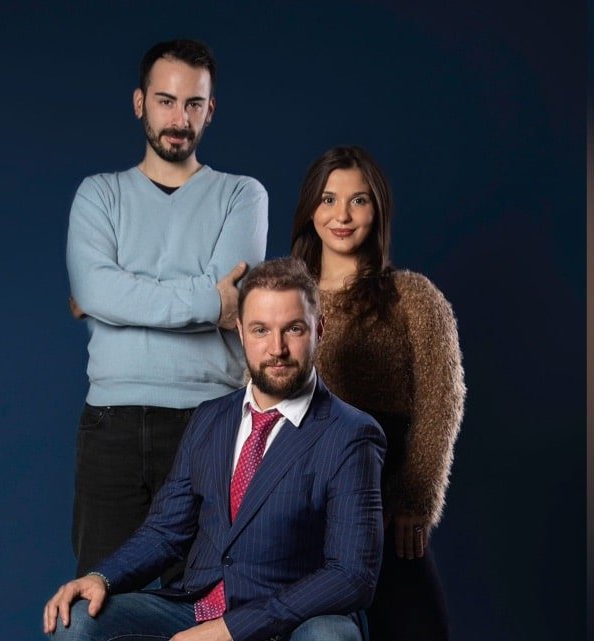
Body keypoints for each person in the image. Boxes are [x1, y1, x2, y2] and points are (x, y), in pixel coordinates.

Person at [43, 257, 386, 641]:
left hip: (294, 620)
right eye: (261, 330)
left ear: (318, 329)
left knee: (330, 637)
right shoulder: (211, 419)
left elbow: (351, 576)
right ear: (240, 332)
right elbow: (165, 532)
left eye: (293, 329)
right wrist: (100, 576)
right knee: (77, 621)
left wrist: (231, 630)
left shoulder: (352, 435)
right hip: (197, 608)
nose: (277, 348)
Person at [66, 39, 268, 579]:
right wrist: (206, 298)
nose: (179, 119)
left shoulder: (241, 195)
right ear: (139, 103)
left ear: (211, 109)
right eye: (165, 101)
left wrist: (126, 294)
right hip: (112, 424)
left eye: (193, 104)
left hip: (211, 420)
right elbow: (96, 292)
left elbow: (237, 299)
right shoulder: (98, 195)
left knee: (206, 602)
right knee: (100, 603)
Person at [291, 146, 465, 641]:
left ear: (378, 209)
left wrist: (415, 499)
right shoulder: (284, 295)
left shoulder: (413, 296)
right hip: (303, 499)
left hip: (386, 498)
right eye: (328, 199)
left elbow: (442, 402)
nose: (341, 216)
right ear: (310, 208)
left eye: (358, 200)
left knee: (417, 628)